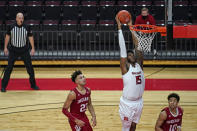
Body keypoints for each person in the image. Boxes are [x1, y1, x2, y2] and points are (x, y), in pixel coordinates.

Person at [116, 15, 145, 131]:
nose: (131, 55)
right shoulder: (125, 69)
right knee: (126, 128)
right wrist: (119, 28)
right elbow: (123, 49)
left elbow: (138, 46)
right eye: (129, 55)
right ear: (126, 59)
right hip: (127, 104)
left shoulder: (139, 66)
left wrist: (131, 27)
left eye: (132, 54)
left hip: (139, 102)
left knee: (133, 127)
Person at [1, 12, 39, 92]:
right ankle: (3, 86)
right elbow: (7, 37)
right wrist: (5, 47)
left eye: (22, 18)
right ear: (16, 18)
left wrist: (33, 48)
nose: (21, 19)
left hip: (24, 50)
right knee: (9, 68)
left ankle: (33, 85)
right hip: (13, 50)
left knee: (30, 68)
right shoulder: (11, 26)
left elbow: (30, 37)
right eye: (19, 18)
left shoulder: (27, 27)